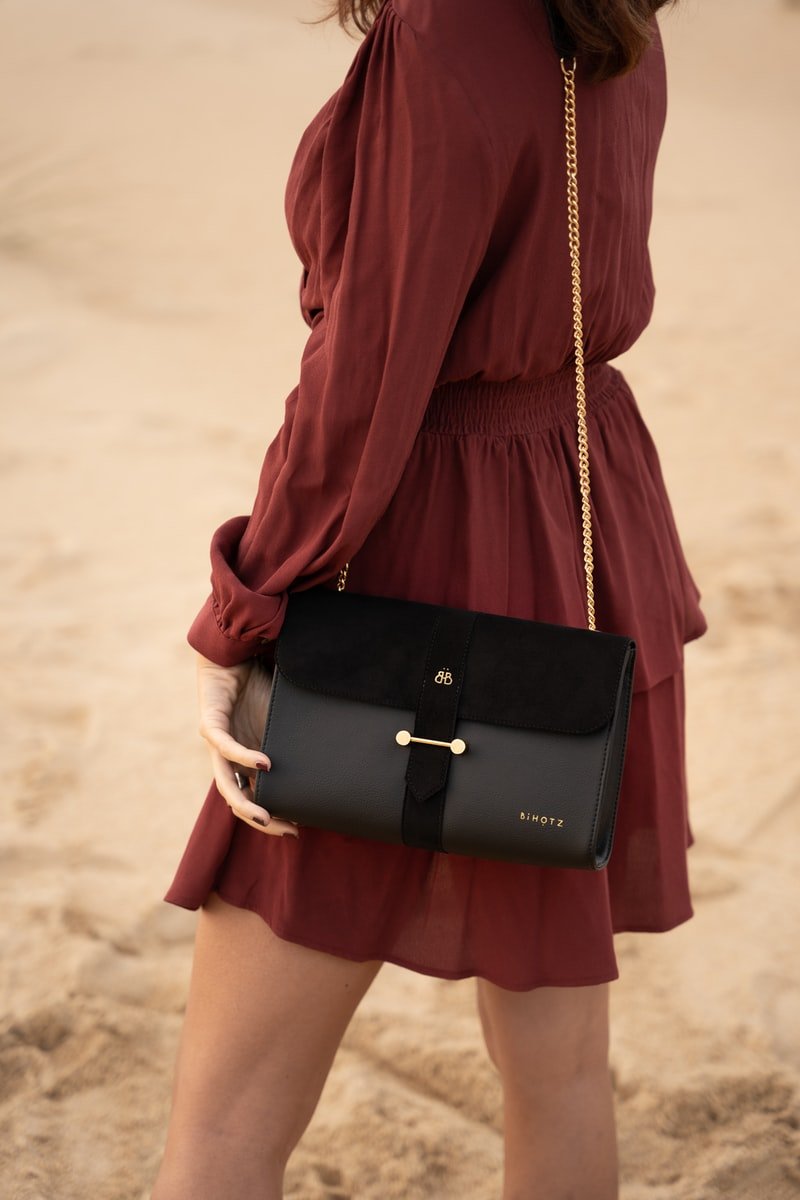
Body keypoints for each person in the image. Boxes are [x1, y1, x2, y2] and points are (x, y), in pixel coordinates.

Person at [152, 0, 707, 1196]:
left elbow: (363, 388)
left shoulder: (444, 27)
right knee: (558, 1076)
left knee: (226, 1122)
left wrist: (243, 610)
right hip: (579, 525)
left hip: (421, 546)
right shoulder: (615, 16)